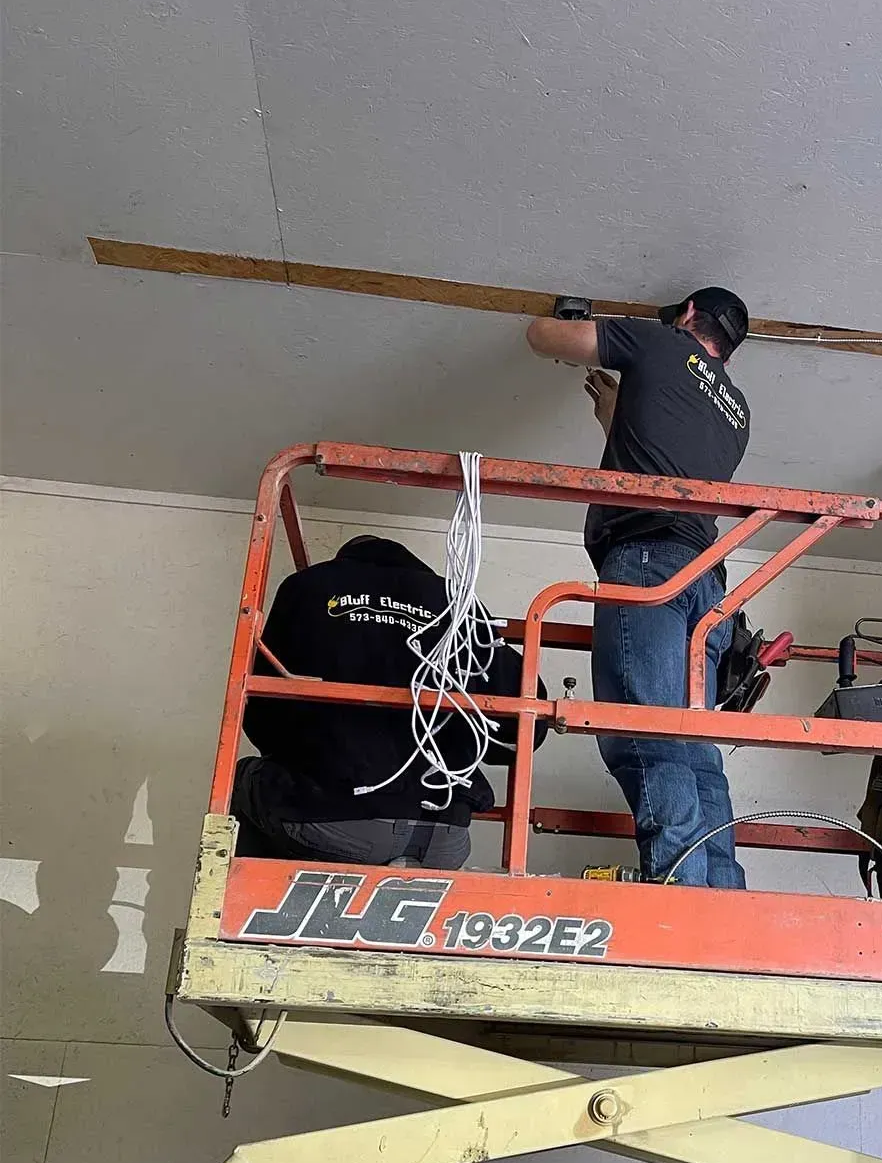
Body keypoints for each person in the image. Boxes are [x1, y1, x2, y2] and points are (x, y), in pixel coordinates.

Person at [526, 287, 752, 888]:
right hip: (707, 582)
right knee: (695, 743)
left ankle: (676, 883)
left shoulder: (662, 343)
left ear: (684, 317)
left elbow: (543, 338)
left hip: (649, 560)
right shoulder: (737, 410)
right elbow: (658, 456)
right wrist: (618, 414)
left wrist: (567, 323)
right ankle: (719, 890)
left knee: (646, 731)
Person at [234, 534, 538, 868]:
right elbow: (523, 728)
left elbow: (258, 711)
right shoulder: (458, 602)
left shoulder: (305, 589)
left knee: (244, 777)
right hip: (443, 835)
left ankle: (250, 910)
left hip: (331, 822)